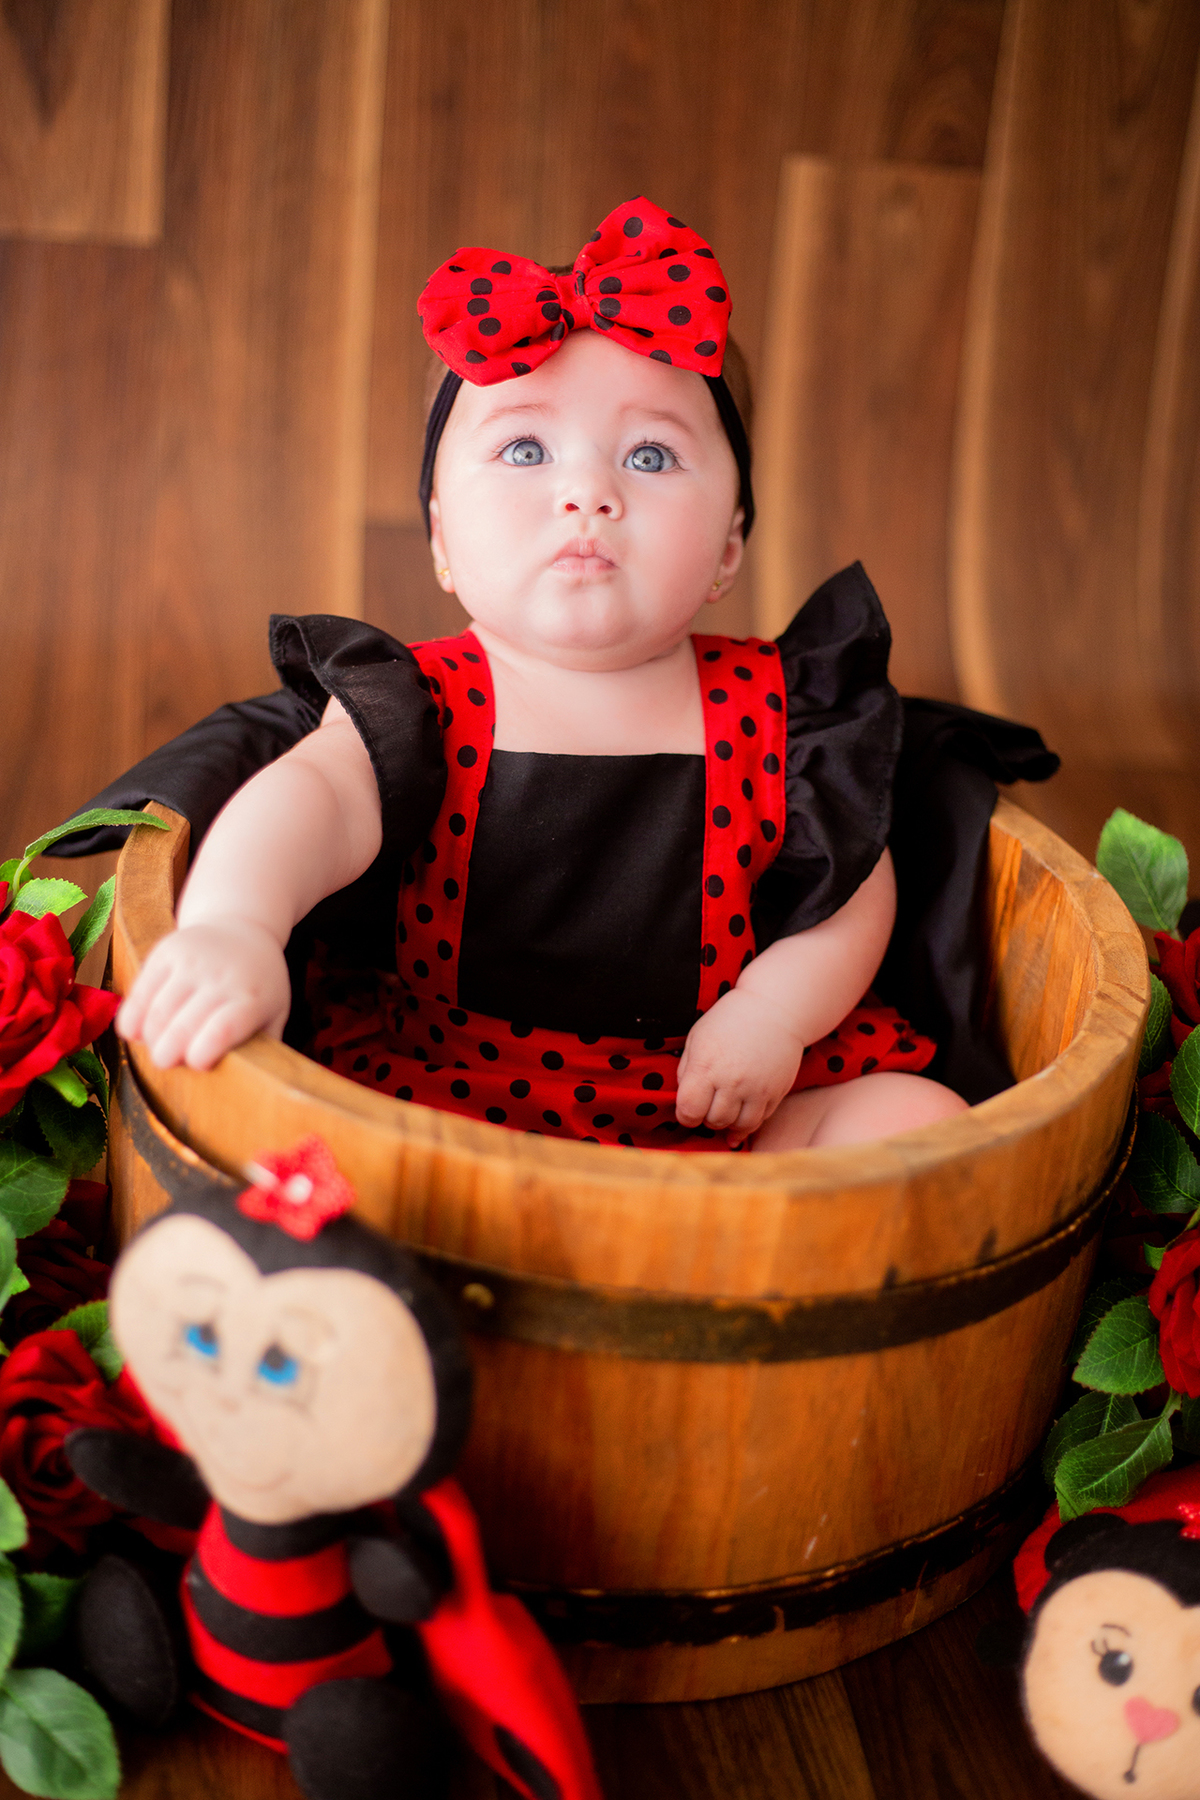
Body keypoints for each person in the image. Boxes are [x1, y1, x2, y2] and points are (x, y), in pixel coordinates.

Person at [115, 196, 980, 1153]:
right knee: (323, 1147)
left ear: (731, 546)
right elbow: (308, 804)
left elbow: (851, 891)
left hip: (727, 1096)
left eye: (651, 455)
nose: (588, 493)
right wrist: (236, 925)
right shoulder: (419, 705)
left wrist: (774, 1014)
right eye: (524, 447)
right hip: (447, 1100)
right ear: (443, 535)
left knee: (919, 1126)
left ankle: (746, 1272)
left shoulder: (783, 710)